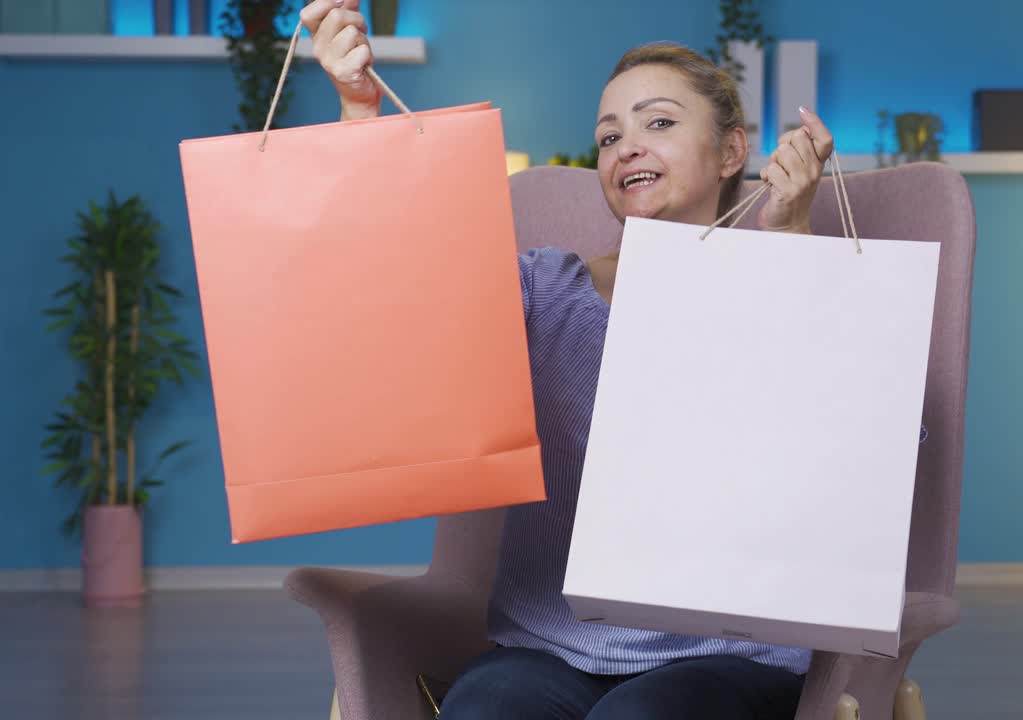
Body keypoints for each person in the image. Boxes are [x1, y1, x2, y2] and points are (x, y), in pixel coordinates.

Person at [301, 2, 843, 718]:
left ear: (732, 151)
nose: (626, 148)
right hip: (546, 649)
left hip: (732, 657)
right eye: (608, 135)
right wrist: (358, 111)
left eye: (658, 123)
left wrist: (793, 237)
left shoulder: (796, 275)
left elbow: (859, 452)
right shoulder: (542, 286)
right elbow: (402, 297)